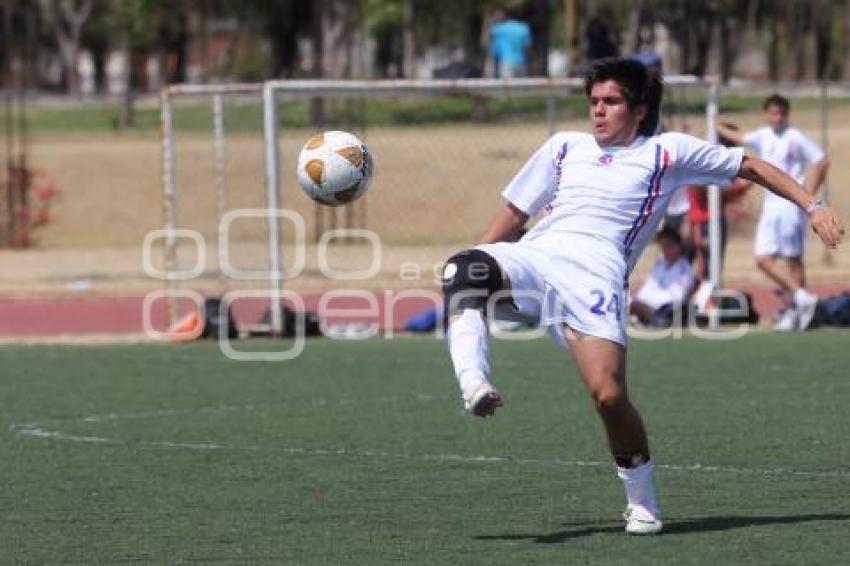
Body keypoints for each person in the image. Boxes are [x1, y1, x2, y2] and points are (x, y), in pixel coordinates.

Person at [441, 58, 844, 535]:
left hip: (596, 276)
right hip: (538, 257)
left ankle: (643, 501)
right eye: (593, 101)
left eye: (610, 101)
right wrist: (481, 261)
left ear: (639, 109)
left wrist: (813, 206)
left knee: (609, 397)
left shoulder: (666, 152)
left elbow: (751, 165)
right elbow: (514, 212)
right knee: (462, 268)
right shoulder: (563, 147)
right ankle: (474, 382)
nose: (598, 111)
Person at [717, 95, 830, 330]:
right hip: (771, 205)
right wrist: (713, 120)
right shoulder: (762, 135)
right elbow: (738, 138)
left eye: (780, 113)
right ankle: (802, 297)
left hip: (790, 204)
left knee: (792, 259)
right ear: (767, 114)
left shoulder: (795, 136)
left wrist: (806, 194)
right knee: (763, 259)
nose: (776, 117)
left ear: (786, 115)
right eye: (772, 113)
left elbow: (821, 161)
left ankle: (798, 312)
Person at [629, 227, 694, 327]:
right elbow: (646, 289)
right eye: (663, 246)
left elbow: (677, 297)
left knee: (634, 305)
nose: (666, 250)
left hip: (667, 311)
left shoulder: (684, 270)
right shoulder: (659, 267)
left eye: (669, 246)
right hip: (649, 306)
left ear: (679, 246)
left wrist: (646, 302)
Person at [487, 7, 532, 78]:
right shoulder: (524, 28)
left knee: (507, 87)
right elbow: (528, 47)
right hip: (521, 61)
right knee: (521, 87)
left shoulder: (499, 29)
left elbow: (493, 48)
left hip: (506, 62)